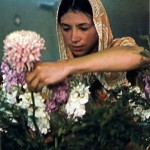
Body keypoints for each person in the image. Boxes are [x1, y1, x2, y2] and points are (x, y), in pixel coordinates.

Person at [26, 0, 149, 97]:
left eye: (83, 28)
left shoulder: (119, 48)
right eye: (66, 28)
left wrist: (68, 66)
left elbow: (141, 56)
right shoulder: (57, 75)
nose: (74, 38)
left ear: (99, 26)